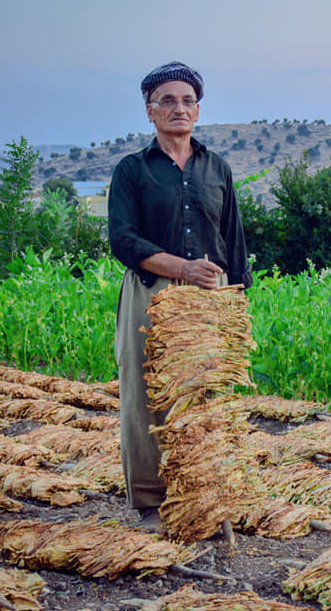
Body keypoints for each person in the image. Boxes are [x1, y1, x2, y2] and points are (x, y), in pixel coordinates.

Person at [108, 61, 252, 531]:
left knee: (205, 396)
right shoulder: (133, 170)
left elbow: (233, 241)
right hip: (152, 291)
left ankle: (205, 493)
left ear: (198, 109)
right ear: (150, 111)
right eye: (167, 100)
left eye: (188, 100)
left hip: (209, 296)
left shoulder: (217, 168)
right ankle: (151, 502)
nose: (178, 108)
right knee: (146, 393)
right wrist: (181, 268)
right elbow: (123, 241)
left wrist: (237, 302)